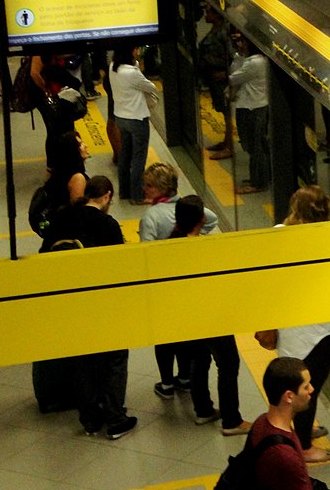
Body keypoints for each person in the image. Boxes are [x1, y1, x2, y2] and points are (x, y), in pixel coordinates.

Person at [257, 186, 330, 462]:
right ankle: (305, 446)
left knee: (295, 384)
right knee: (309, 388)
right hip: (321, 329)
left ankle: (299, 429)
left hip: (291, 327)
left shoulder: (278, 234)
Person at [39, 176, 137, 439]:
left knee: (82, 359)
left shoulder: (61, 217)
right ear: (106, 196)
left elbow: (43, 256)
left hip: (71, 302)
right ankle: (116, 418)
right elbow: (120, 266)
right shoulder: (107, 224)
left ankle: (90, 419)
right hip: (103, 304)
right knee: (115, 357)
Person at [174, 195, 251, 437]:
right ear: (201, 219)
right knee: (228, 364)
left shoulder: (171, 243)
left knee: (200, 360)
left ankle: (204, 409)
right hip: (212, 316)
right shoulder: (204, 249)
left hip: (188, 316)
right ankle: (231, 420)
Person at [138, 162, 218, 398]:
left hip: (164, 286)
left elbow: (146, 252)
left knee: (163, 337)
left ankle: (166, 383)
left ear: (161, 188)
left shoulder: (151, 215)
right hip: (188, 285)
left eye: (149, 185)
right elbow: (211, 219)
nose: (145, 189)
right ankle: (184, 377)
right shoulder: (188, 206)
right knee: (183, 333)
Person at [249, 356, 319, 490]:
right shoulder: (284, 456)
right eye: (306, 387)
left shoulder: (261, 423)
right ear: (289, 396)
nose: (312, 389)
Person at [107, 46, 158, 203]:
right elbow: (151, 86)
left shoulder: (112, 67)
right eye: (135, 49)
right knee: (138, 158)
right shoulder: (132, 73)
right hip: (137, 118)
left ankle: (124, 192)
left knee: (125, 155)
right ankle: (137, 195)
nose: (137, 52)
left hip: (121, 117)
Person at [229, 32, 270, 194]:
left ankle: (258, 182)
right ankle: (262, 177)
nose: (240, 44)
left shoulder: (254, 63)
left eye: (242, 41)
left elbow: (233, 78)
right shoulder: (257, 60)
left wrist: (238, 56)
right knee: (258, 145)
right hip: (255, 106)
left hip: (252, 108)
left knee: (255, 147)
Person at [30, 53, 82, 168]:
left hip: (58, 94)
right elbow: (34, 73)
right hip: (48, 96)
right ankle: (53, 165)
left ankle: (60, 162)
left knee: (60, 129)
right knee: (54, 130)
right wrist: (45, 89)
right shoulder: (38, 52)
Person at [199, 6, 234, 159]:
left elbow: (232, 55)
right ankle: (226, 142)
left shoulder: (223, 31)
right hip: (213, 77)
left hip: (221, 78)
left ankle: (229, 146)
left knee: (227, 112)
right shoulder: (216, 29)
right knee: (222, 109)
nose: (205, 15)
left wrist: (227, 74)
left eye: (208, 12)